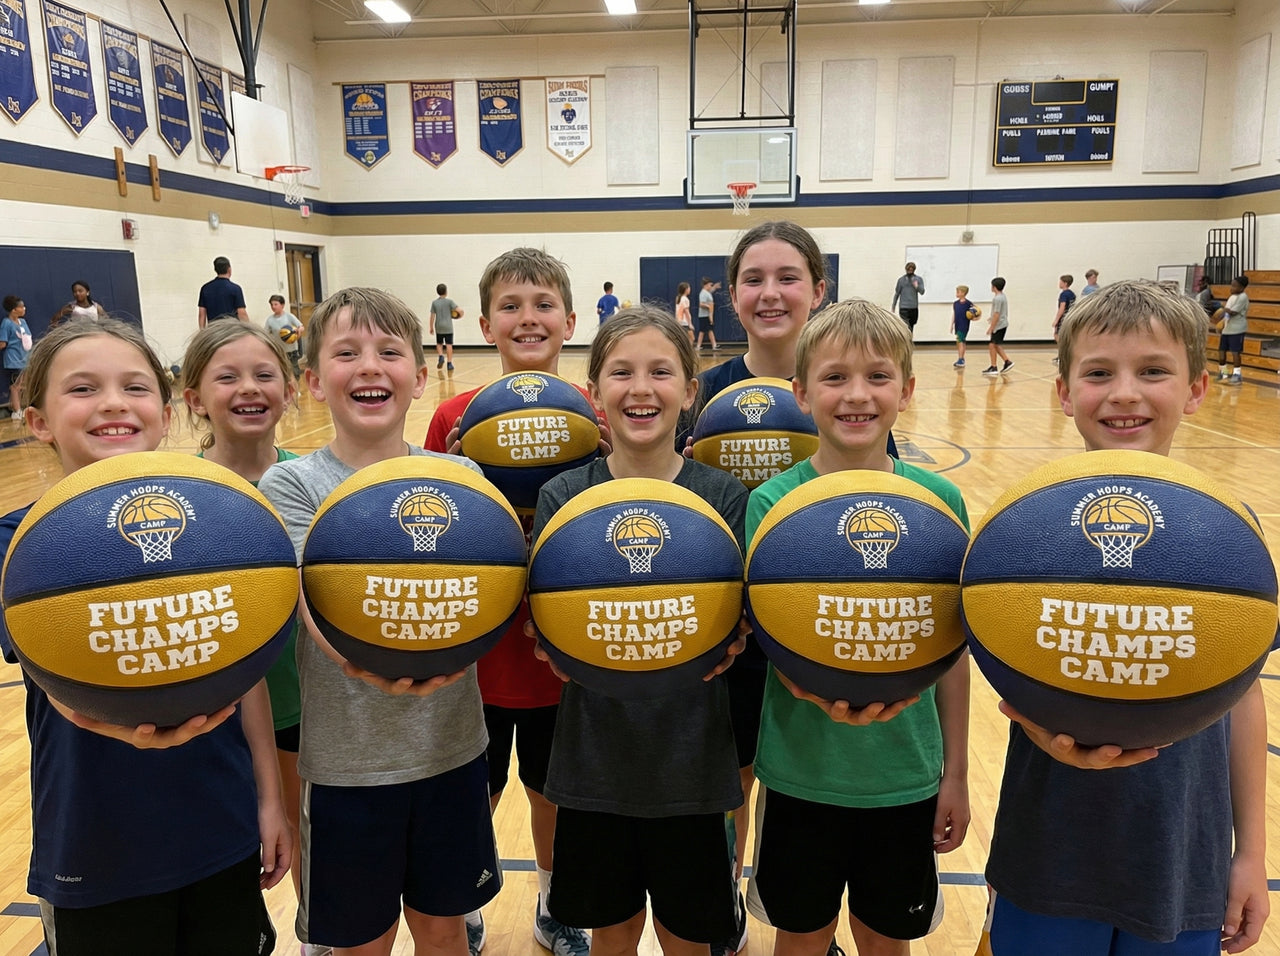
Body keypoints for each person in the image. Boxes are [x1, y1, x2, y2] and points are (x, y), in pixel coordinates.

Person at [982, 279, 1269, 956]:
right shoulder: (1023, 527)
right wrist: (1037, 726)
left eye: (1154, 372)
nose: (1125, 393)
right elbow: (1005, 669)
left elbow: (1245, 695)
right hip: (1047, 843)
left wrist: (1251, 852)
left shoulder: (1232, 531)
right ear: (1063, 391)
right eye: (1099, 372)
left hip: (1181, 852)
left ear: (1197, 389)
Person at [1, 317, 288, 955]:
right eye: (82, 389)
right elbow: (57, 681)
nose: (111, 403)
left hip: (219, 821)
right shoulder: (18, 543)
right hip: (96, 840)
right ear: (38, 420)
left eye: (134, 387)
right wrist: (118, 724)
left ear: (164, 414)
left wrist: (271, 798)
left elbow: (250, 674)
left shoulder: (220, 520)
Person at [259, 288, 501, 956]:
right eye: (346, 353)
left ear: (419, 377)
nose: (370, 366)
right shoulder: (293, 485)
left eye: (390, 352)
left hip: (451, 746)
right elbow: (313, 605)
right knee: (362, 941)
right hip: (346, 763)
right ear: (312, 382)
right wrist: (369, 663)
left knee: (443, 929)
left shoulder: (460, 475)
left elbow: (489, 590)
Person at [744, 299, 970, 956]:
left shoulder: (940, 501)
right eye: (835, 377)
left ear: (906, 389)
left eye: (877, 376)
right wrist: (816, 690)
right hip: (800, 769)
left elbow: (952, 653)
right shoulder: (772, 502)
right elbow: (771, 637)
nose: (857, 395)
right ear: (801, 391)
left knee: (885, 938)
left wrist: (956, 772)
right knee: (801, 934)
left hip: (906, 772)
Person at [528, 305, 746, 956]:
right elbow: (547, 624)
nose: (642, 388)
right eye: (621, 372)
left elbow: (737, 621)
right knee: (611, 932)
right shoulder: (564, 496)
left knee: (687, 936)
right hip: (595, 760)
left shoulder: (723, 495)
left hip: (693, 764)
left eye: (660, 371)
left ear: (689, 391)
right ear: (594, 392)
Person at [422, 247, 592, 956]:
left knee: (554, 791)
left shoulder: (592, 412)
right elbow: (425, 529)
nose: (529, 318)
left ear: (570, 320)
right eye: (512, 307)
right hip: (479, 646)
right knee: (474, 790)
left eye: (543, 304)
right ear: (484, 323)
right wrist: (454, 471)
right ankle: (462, 900)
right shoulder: (453, 419)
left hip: (559, 646)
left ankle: (555, 904)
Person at [180, 321, 314, 948]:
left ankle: (320, 932)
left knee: (306, 842)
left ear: (290, 390)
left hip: (305, 702)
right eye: (226, 377)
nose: (248, 389)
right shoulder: (173, 494)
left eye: (264, 375)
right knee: (245, 854)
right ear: (193, 397)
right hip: (213, 718)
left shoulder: (316, 483)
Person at [1214, 275, 1249, 385]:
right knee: (1221, 352)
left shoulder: (1243, 297)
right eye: (1232, 285)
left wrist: (1221, 309)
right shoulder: (1232, 297)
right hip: (1227, 328)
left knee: (1235, 352)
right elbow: (1226, 314)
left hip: (1237, 329)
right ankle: (1223, 373)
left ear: (1242, 288)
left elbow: (1232, 312)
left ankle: (1237, 375)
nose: (1232, 288)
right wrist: (1221, 324)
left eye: (1235, 286)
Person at [1, 294, 32, 417]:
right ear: (14, 310)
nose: (24, 309)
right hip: (14, 360)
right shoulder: (6, 323)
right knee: (15, 386)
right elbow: (3, 343)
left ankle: (21, 407)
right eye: (22, 307)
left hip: (25, 358)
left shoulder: (23, 322)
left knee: (23, 385)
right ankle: (17, 411)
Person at [198, 257, 249, 329]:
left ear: (215, 270)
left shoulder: (205, 288)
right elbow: (242, 313)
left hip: (214, 331)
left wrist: (202, 332)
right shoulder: (235, 289)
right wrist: (248, 331)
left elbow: (202, 314)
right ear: (229, 269)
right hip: (231, 331)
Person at [264, 294, 305, 379]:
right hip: (279, 350)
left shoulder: (289, 316)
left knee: (294, 370)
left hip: (292, 349)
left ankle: (297, 390)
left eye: (275, 304)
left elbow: (301, 327)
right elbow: (265, 334)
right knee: (282, 370)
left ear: (282, 305)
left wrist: (299, 331)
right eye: (271, 305)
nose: (273, 307)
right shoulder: (270, 320)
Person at [982, 278, 1014, 375]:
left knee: (992, 345)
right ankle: (1007, 362)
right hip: (1001, 324)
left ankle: (994, 366)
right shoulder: (1002, 296)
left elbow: (997, 314)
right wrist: (991, 318)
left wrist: (991, 327)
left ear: (994, 287)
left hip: (999, 326)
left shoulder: (997, 298)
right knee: (996, 345)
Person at [430, 283, 462, 372]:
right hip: (448, 326)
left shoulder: (434, 303)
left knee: (439, 343)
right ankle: (449, 363)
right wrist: (459, 316)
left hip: (439, 326)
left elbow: (432, 316)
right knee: (449, 345)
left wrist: (431, 327)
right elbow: (460, 310)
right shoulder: (449, 302)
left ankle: (440, 356)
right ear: (446, 291)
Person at [891, 262, 925, 335]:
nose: (910, 271)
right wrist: (893, 306)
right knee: (906, 326)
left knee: (911, 325)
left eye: (911, 270)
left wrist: (916, 286)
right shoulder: (901, 280)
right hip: (904, 307)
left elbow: (922, 291)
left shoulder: (918, 279)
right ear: (906, 270)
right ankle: (906, 341)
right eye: (908, 270)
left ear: (914, 270)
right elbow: (897, 293)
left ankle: (909, 340)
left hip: (913, 307)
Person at [1051, 274, 1075, 362]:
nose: (1059, 283)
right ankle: (1063, 355)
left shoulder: (1064, 294)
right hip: (1069, 317)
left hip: (1063, 318)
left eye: (1060, 282)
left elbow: (1062, 307)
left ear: (1065, 283)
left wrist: (1056, 320)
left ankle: (1063, 356)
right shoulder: (1072, 294)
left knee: (1058, 336)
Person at [950, 285, 974, 368]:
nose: (956, 293)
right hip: (957, 324)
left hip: (964, 325)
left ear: (963, 293)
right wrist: (952, 325)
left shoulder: (968, 304)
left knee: (960, 341)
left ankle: (960, 359)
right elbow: (954, 314)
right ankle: (961, 358)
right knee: (960, 341)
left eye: (958, 292)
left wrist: (975, 317)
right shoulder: (955, 304)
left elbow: (974, 313)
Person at [696, 277, 721, 351]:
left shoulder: (707, 293)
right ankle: (699, 346)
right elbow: (701, 304)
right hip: (704, 316)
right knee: (703, 331)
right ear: (705, 285)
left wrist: (715, 287)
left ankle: (714, 345)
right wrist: (709, 306)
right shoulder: (703, 293)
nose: (711, 287)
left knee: (709, 330)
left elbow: (710, 292)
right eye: (710, 285)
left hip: (706, 315)